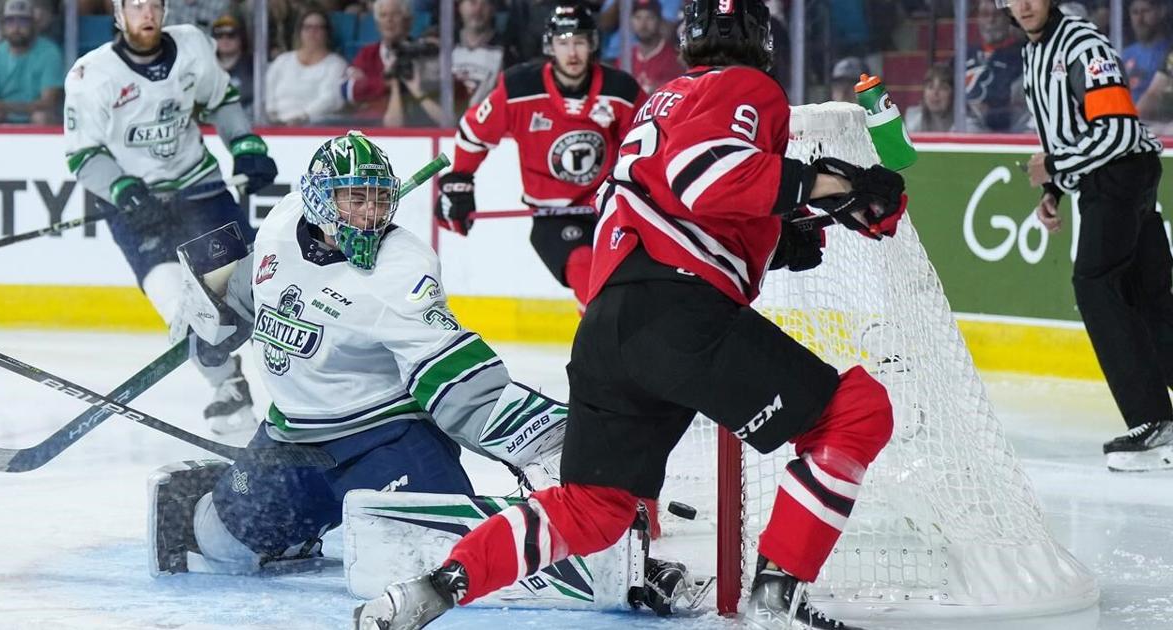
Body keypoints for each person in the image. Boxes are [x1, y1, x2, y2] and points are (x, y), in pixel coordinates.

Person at [357, 0, 908, 628]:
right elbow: (705, 177)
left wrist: (787, 228)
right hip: (677, 313)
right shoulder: (746, 84)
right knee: (855, 412)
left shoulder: (659, 98)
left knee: (593, 507)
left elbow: (684, 198)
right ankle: (774, 604)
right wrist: (832, 184)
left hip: (609, 327)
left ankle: (434, 588)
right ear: (764, 39)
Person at [148, 130, 575, 579]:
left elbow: (457, 381)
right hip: (292, 438)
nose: (371, 215)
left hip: (386, 436)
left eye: (378, 199)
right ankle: (265, 516)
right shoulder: (282, 221)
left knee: (445, 557)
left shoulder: (402, 268)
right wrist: (220, 321)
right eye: (355, 198)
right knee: (220, 546)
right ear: (316, 200)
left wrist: (541, 442)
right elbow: (256, 280)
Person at [63, 0, 278, 434]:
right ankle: (227, 383)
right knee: (174, 300)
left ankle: (302, 379)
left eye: (153, 5)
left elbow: (221, 101)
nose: (146, 13)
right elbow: (83, 156)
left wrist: (245, 144)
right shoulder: (91, 75)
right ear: (118, 15)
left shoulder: (193, 46)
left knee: (254, 283)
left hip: (200, 187)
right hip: (137, 204)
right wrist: (123, 190)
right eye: (135, 5)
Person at [1005, 0, 1173, 471]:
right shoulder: (1032, 52)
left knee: (1095, 285)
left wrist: (1056, 167)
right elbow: (1065, 133)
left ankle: (1154, 422)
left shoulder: (1083, 44)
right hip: (1111, 177)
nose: (1024, 4)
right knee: (1147, 298)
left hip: (1120, 174)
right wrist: (1056, 187)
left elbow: (1118, 131)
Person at [436, 3, 645, 312]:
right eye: (563, 42)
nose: (572, 52)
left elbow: (646, 143)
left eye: (579, 42)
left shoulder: (621, 90)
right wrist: (459, 180)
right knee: (588, 275)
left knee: (634, 285)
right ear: (550, 45)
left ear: (593, 44)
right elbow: (474, 131)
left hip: (610, 210)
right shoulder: (520, 87)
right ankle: (604, 351)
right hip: (553, 217)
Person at [343, 0, 443, 127]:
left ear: (408, 21)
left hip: (411, 124)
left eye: (395, 15)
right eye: (383, 15)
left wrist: (368, 85)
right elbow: (348, 90)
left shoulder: (421, 52)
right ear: (378, 24)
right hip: (367, 125)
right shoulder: (368, 53)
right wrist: (385, 82)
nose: (389, 20)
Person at [0, 0, 62, 124]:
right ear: (3, 26)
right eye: (10, 21)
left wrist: (8, 107)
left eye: (23, 21)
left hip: (35, 117)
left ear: (34, 25)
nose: (16, 27)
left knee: (40, 117)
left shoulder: (50, 53)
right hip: (2, 116)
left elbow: (49, 102)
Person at [264, 9, 348, 125]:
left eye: (318, 28)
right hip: (275, 125)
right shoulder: (282, 60)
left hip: (313, 127)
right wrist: (272, 116)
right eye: (307, 27)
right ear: (300, 32)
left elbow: (330, 100)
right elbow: (268, 92)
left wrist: (301, 117)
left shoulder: (336, 64)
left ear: (327, 32)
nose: (312, 32)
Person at [967, 0, 1028, 132]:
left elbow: (1020, 104)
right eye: (985, 14)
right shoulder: (963, 56)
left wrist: (991, 109)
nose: (991, 20)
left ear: (1008, 18)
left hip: (1008, 131)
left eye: (997, 15)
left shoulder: (1023, 55)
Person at [452, 0, 513, 108]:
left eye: (485, 4)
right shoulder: (445, 46)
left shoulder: (505, 50)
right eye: (473, 2)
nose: (478, 10)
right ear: (460, 7)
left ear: (493, 9)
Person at [618, 0, 684, 93]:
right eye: (638, 18)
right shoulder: (625, 58)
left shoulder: (674, 57)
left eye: (649, 17)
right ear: (631, 22)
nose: (643, 24)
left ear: (659, 21)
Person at [1121, 0, 1170, 101]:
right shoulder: (1125, 54)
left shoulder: (1169, 53)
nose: (1140, 19)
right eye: (1135, 12)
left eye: (1146, 11)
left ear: (1161, 12)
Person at [211, 14, 253, 118]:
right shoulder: (205, 68)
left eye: (231, 34)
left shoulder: (253, 67)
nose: (225, 39)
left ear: (241, 38)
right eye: (219, 35)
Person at [905, 63, 956, 132]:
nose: (935, 93)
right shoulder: (914, 117)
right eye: (930, 87)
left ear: (953, 94)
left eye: (942, 88)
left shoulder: (964, 120)